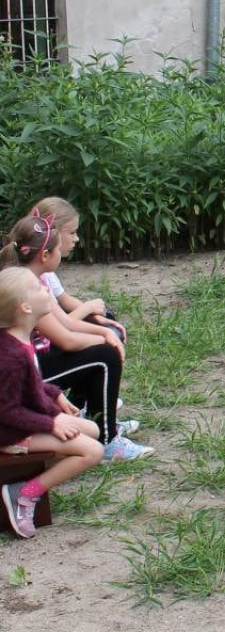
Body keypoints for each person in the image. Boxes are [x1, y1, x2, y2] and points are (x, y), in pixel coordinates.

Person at [0, 214, 151, 462]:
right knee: (104, 356)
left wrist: (105, 330)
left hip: (36, 366)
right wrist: (108, 342)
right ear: (45, 255)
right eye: (64, 242)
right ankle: (107, 440)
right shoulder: (24, 291)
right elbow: (67, 340)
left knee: (102, 345)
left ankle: (90, 416)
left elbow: (68, 322)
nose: (74, 241)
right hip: (27, 375)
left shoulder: (34, 279)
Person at [0, 267, 104, 538]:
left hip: (23, 419)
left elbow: (28, 385)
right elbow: (6, 410)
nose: (45, 288)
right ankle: (24, 493)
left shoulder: (19, 340)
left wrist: (55, 394)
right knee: (92, 451)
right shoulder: (10, 356)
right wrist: (51, 422)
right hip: (9, 432)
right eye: (37, 288)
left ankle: (36, 470)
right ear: (24, 307)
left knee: (92, 430)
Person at [30, 197, 126, 339]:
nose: (77, 239)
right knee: (109, 342)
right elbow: (59, 324)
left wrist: (95, 315)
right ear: (52, 233)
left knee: (107, 316)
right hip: (48, 338)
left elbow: (64, 299)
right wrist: (88, 309)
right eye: (72, 232)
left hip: (59, 327)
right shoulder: (33, 276)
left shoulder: (44, 269)